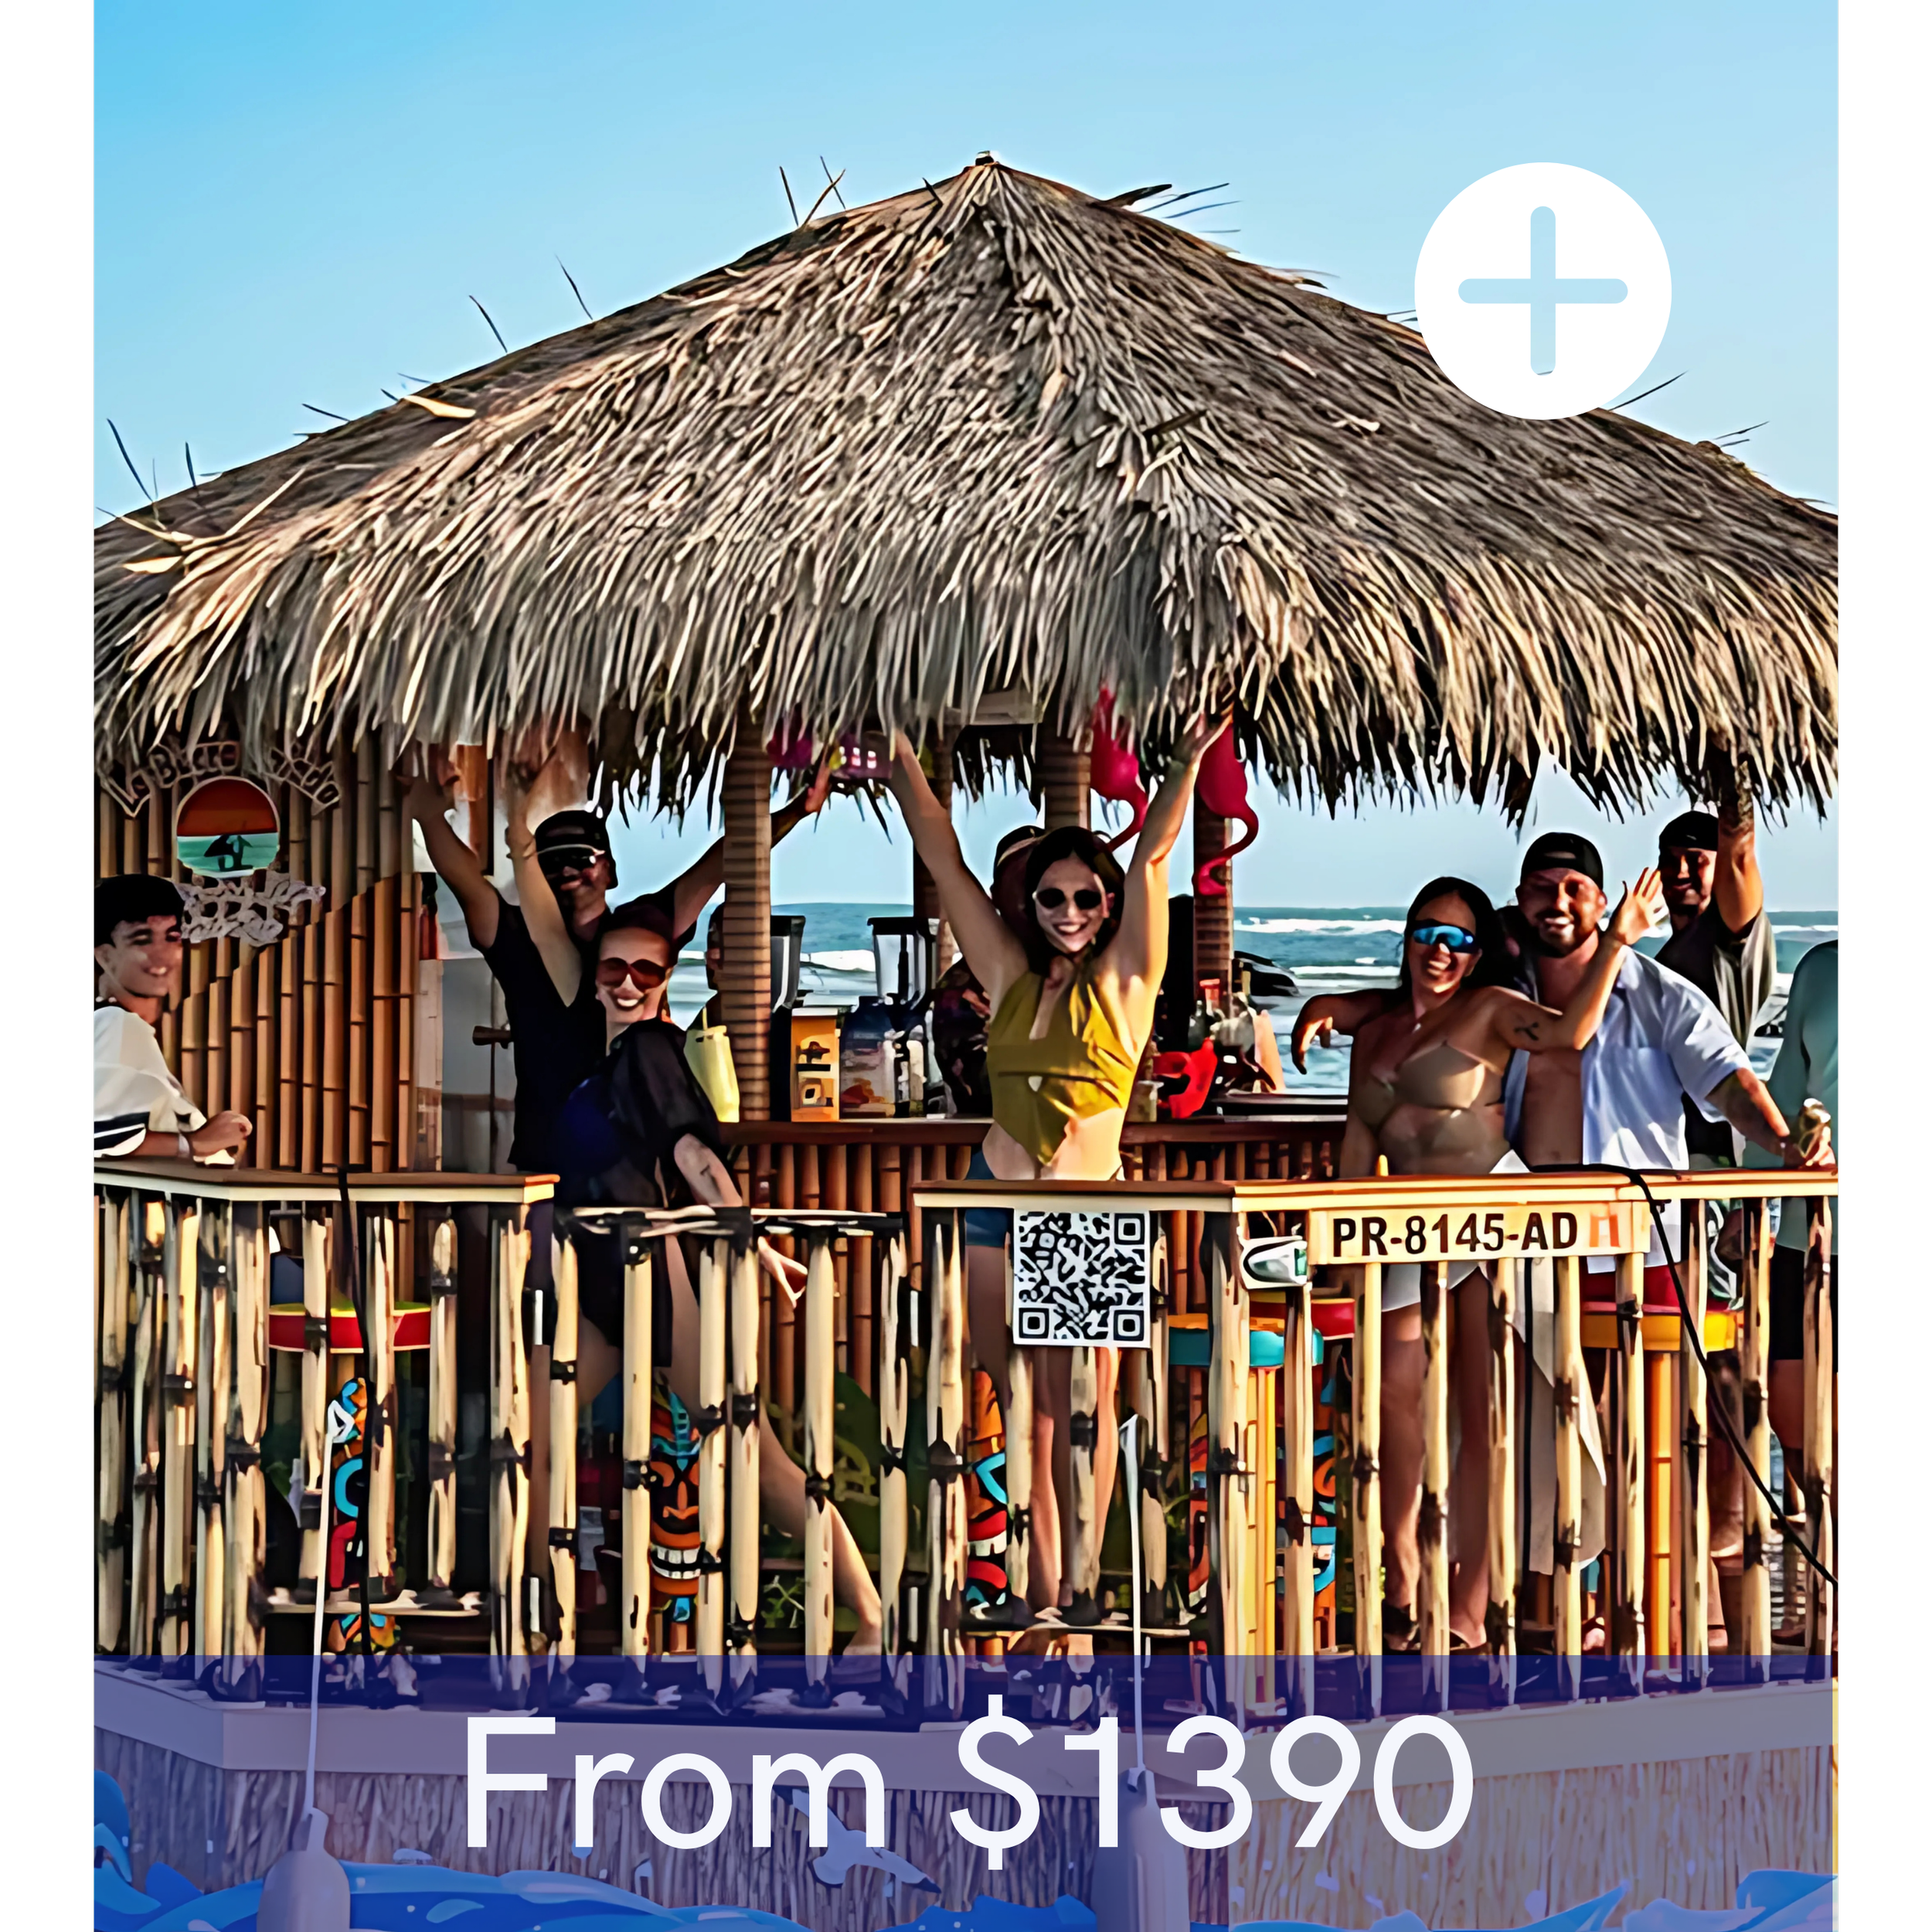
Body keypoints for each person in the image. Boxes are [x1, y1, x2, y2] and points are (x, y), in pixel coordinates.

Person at [888, 718, 1224, 1630]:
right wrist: (903, 753)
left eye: (1084, 896)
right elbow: (946, 861)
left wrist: (1186, 763)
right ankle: (1041, 1596)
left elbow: (1153, 859)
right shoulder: (1010, 978)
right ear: (1028, 904)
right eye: (1050, 897)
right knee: (1019, 1400)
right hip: (995, 1200)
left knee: (1085, 1404)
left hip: (1086, 1211)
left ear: (1106, 904)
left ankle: (1074, 1592)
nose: (1068, 911)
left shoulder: (1124, 981)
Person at [1337, 869, 1665, 1649]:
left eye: (1458, 939)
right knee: (1391, 1406)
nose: (1440, 951)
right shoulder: (1379, 1033)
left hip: (1485, 1221)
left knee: (1484, 1416)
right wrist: (1341, 1246)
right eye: (1427, 933)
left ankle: (1468, 1605)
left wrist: (1617, 940)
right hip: (1398, 1230)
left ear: (1477, 952)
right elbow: (1357, 1138)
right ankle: (1405, 1573)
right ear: (1407, 938)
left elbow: (1569, 1033)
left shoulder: (1488, 1011)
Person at [549, 898, 883, 1650]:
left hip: (653, 1271)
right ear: (593, 976)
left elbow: (692, 1154)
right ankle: (547, 1620)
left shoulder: (651, 1050)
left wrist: (745, 1236)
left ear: (667, 979)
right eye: (614, 967)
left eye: (647, 969)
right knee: (532, 1428)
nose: (629, 982)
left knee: (756, 1459)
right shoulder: (602, 1062)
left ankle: (869, 1614)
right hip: (603, 1274)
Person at [1743, 938, 1838, 1635]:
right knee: (1795, 1419)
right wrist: (1749, 1202)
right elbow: (1779, 1099)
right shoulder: (1820, 969)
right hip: (1808, 1235)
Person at [94, 875, 252, 1163]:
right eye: (141, 939)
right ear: (105, 955)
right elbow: (103, 1137)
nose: (163, 955)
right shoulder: (117, 1025)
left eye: (172, 938)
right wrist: (197, 1143)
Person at [1655, 800, 1777, 1161]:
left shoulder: (1729, 938)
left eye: (1696, 859)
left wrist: (1733, 785)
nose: (1679, 870)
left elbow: (1740, 856)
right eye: (1670, 859)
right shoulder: (1660, 962)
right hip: (1666, 1143)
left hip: (1716, 1147)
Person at [930, 826, 1045, 1117]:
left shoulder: (1091, 972)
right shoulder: (964, 989)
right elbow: (989, 1094)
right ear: (996, 897)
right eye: (1025, 880)